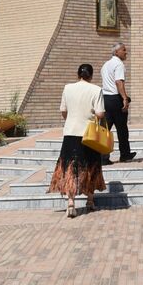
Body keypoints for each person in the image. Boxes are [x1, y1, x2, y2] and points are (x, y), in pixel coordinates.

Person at [50, 63, 107, 217]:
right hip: (89, 134)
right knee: (91, 165)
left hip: (70, 132)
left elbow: (63, 110)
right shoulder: (96, 90)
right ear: (91, 75)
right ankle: (90, 200)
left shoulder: (68, 88)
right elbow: (100, 114)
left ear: (78, 74)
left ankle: (70, 202)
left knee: (70, 166)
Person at [100, 42, 136, 163]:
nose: (126, 52)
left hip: (106, 99)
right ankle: (125, 154)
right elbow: (119, 82)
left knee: (105, 129)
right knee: (122, 129)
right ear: (116, 52)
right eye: (124, 50)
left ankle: (102, 157)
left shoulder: (106, 64)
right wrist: (125, 98)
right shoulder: (118, 64)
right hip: (116, 99)